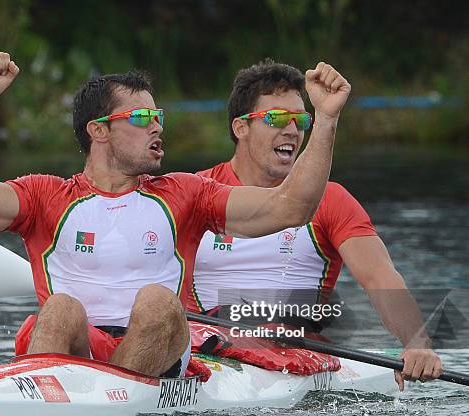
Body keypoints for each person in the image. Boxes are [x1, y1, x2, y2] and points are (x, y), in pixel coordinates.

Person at [0, 52, 350, 378]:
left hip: (163, 353)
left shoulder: (185, 194)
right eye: (142, 118)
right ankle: (52, 413)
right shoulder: (44, 196)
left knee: (157, 302)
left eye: (158, 117)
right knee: (60, 309)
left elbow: (291, 207)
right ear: (99, 131)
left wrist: (326, 119)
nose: (157, 128)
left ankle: (108, 408)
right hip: (76, 347)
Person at [189, 59, 442, 390]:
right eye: (278, 118)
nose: (293, 131)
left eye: (301, 120)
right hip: (203, 345)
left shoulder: (331, 200)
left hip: (294, 348)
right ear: (240, 128)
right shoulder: (193, 191)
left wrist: (416, 342)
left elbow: (380, 277)